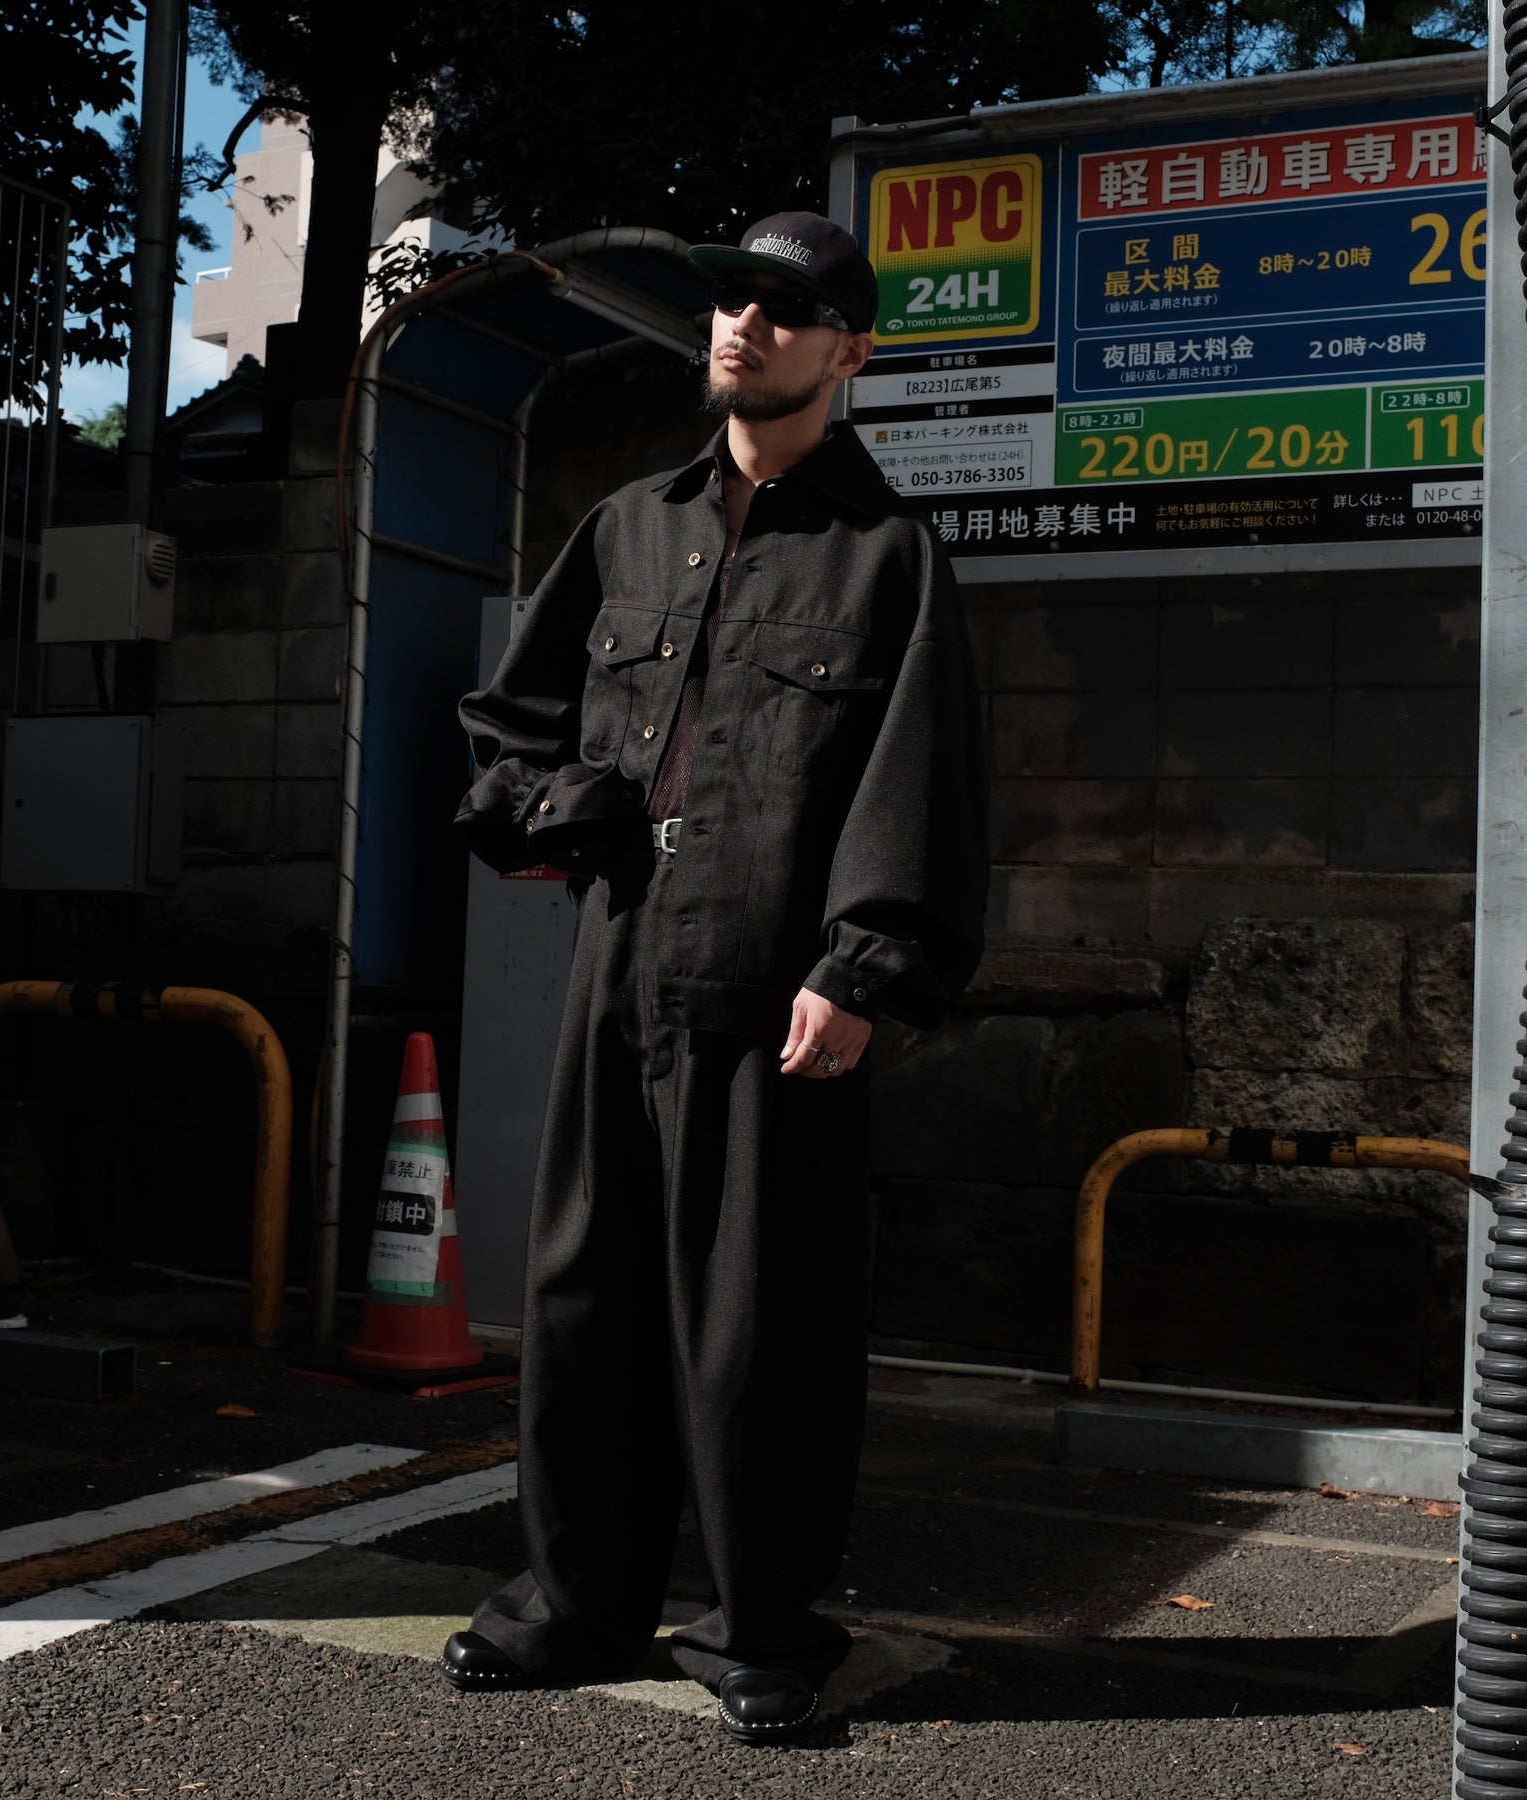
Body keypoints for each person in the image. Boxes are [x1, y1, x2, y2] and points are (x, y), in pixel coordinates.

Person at [441, 210, 989, 1744]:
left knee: (766, 1320)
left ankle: (762, 1624)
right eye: (730, 302)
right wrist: (549, 816)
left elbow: (921, 779)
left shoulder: (889, 556)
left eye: (785, 308)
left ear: (851, 350)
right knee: (585, 1289)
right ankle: (575, 1604)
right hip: (621, 957)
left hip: (779, 984)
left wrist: (861, 967)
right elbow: (514, 719)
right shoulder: (628, 527)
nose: (742, 326)